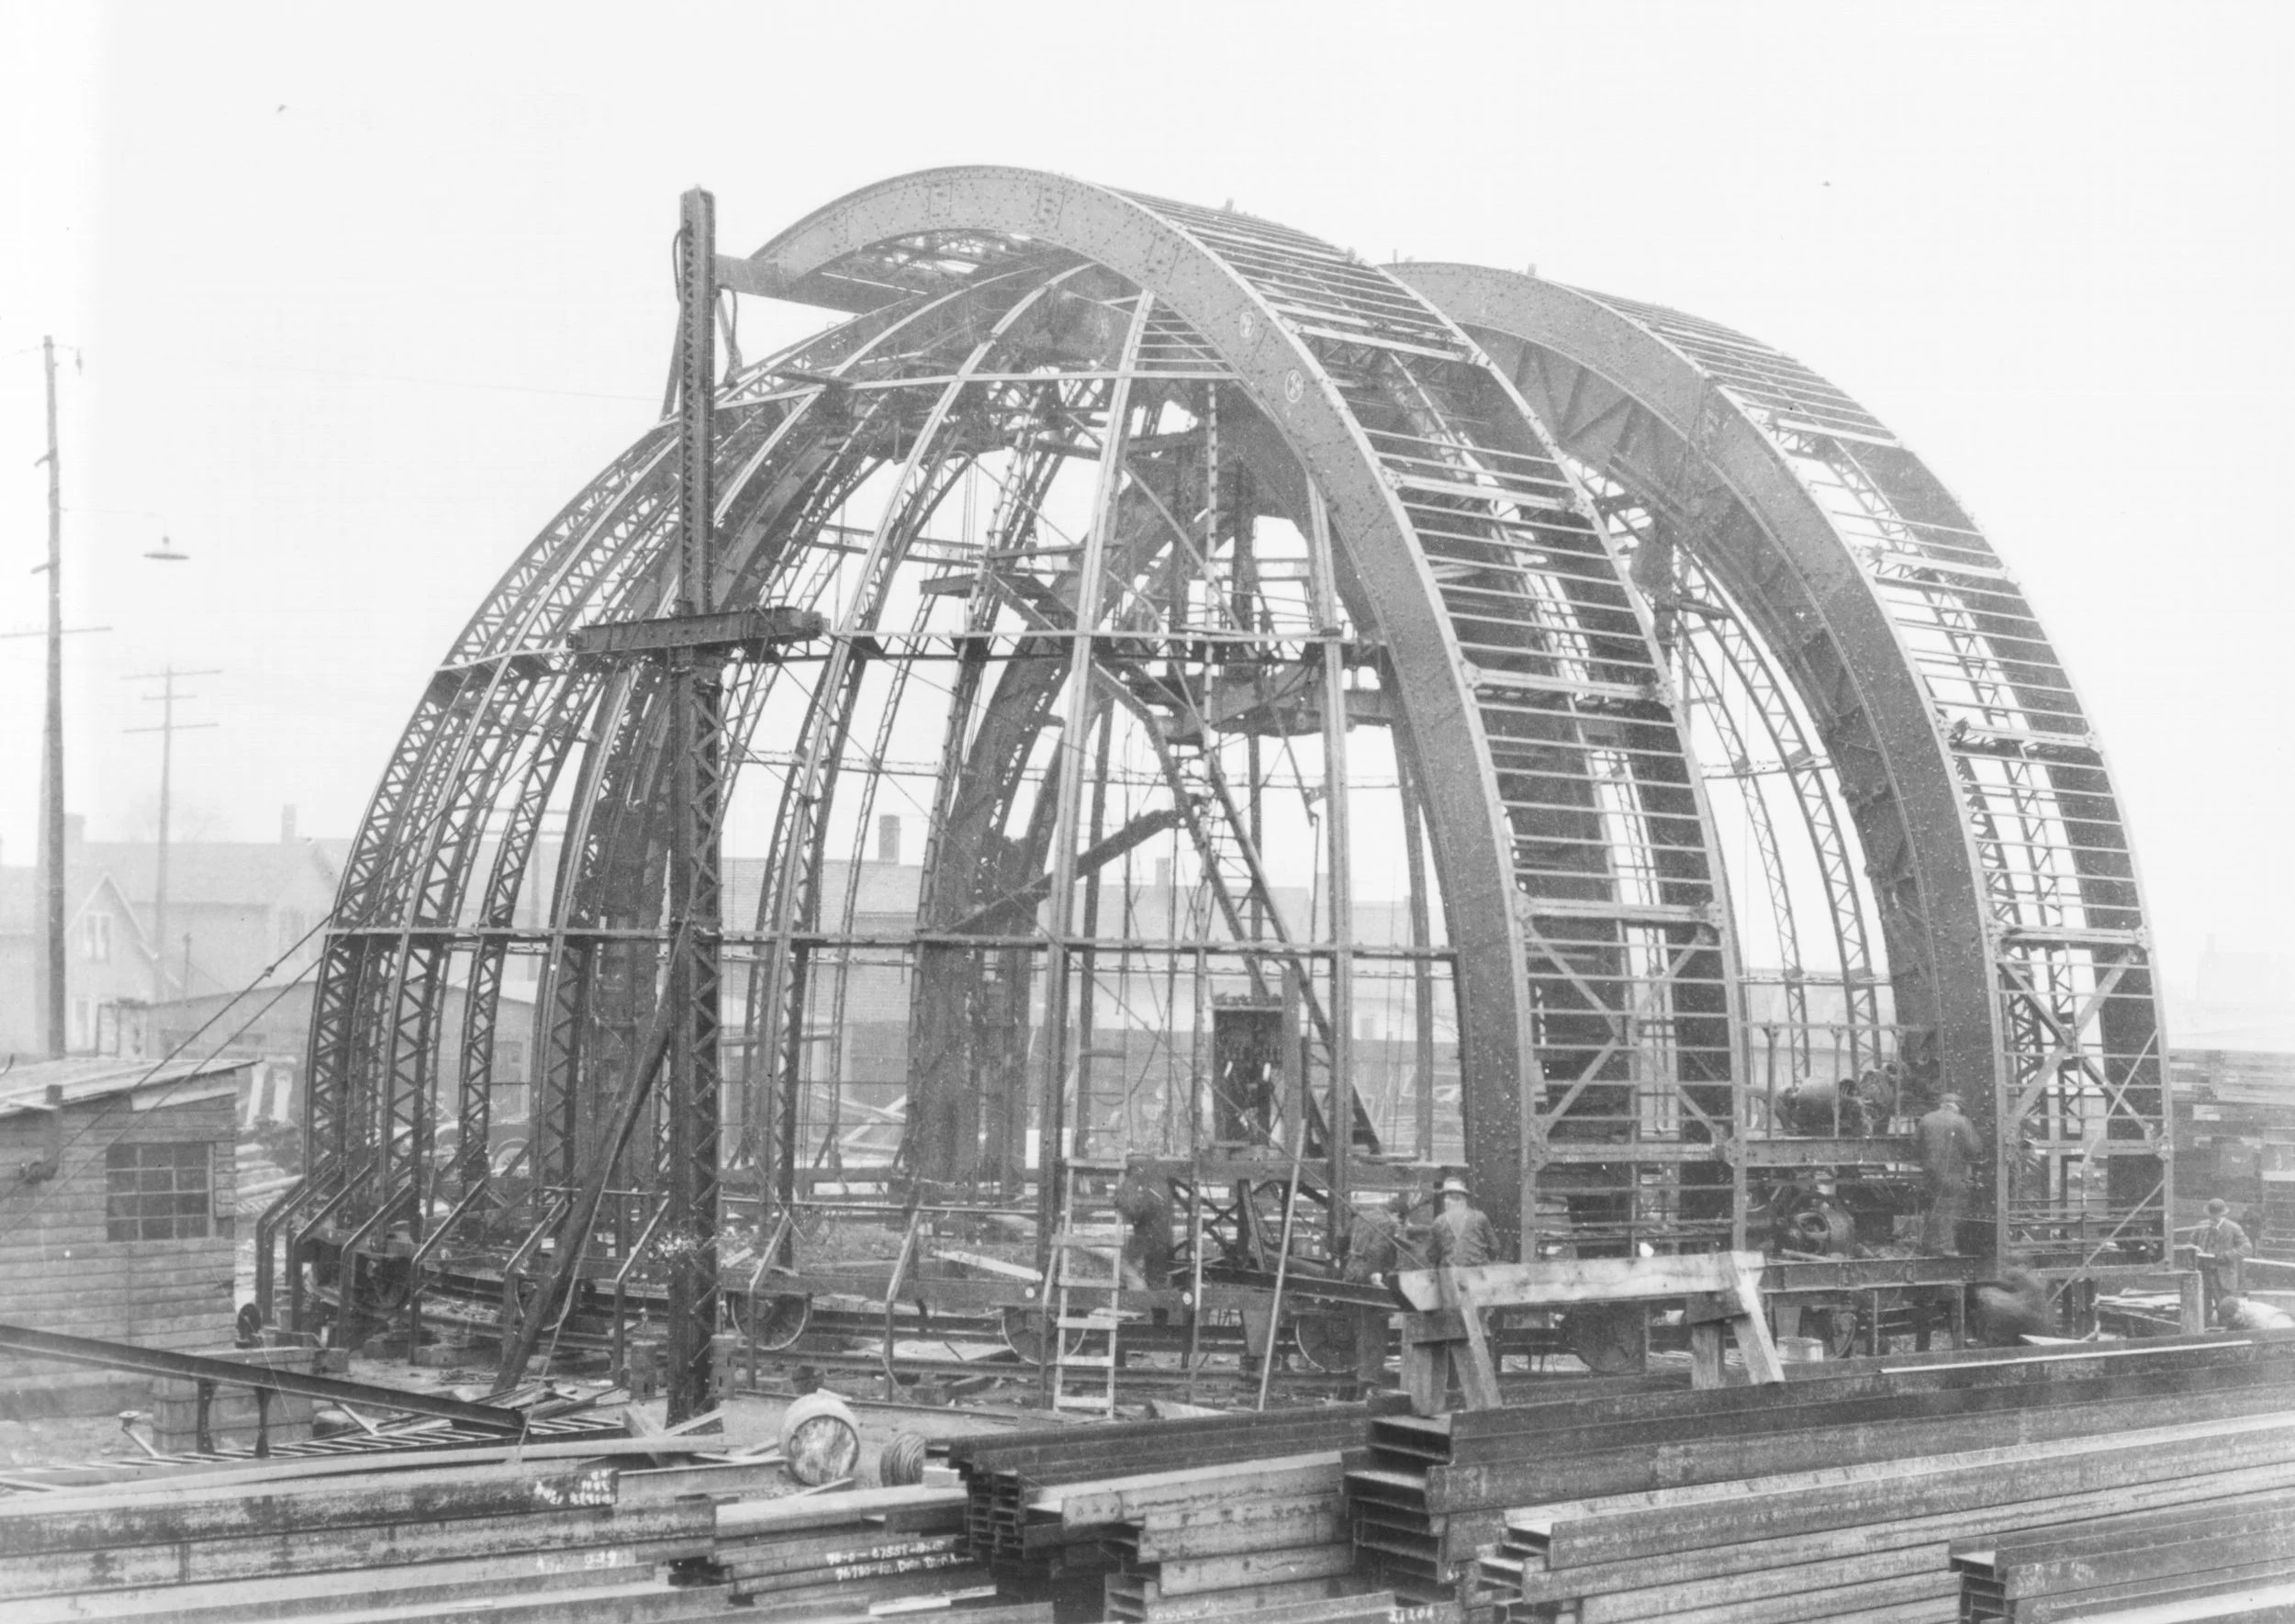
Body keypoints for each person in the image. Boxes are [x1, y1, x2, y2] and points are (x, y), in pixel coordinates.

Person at [1340, 1193, 1411, 1394]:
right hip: (1368, 1280)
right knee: (1374, 1332)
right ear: (1397, 1214)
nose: (1399, 1225)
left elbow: (1341, 1240)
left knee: (1360, 1331)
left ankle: (1361, 1378)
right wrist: (1376, 1274)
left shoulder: (1362, 1215)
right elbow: (1377, 1252)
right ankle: (1369, 1384)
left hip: (1350, 1276)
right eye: (1400, 1220)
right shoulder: (1386, 1224)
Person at [1916, 1092, 1983, 1254]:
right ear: (1956, 1106)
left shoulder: (1926, 1119)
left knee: (1933, 1208)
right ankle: (1943, 1247)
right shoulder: (1961, 1121)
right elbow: (1974, 1148)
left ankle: (1928, 1245)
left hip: (1930, 1173)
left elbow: (1915, 1144)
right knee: (1949, 1208)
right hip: (1953, 1174)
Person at [1110, 1160, 1173, 1290]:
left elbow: (1134, 1209)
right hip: (1160, 1238)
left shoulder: (1140, 1181)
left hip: (1149, 1237)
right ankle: (1151, 1295)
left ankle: (1141, 1294)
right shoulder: (1160, 1183)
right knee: (1155, 1276)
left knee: (1127, 1265)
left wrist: (1118, 1198)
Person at [2195, 1198, 2253, 1317]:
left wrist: (2226, 1256)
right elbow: (2191, 1243)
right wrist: (2196, 1250)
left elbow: (2247, 1248)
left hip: (2223, 1276)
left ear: (2223, 1214)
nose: (2215, 1219)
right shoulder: (2201, 1227)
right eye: (2212, 1216)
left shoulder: (2233, 1228)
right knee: (2203, 1311)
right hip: (2203, 1274)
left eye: (2218, 1216)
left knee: (2225, 1311)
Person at [1428, 1177, 1499, 1270]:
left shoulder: (1438, 1222)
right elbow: (1495, 1247)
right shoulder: (1480, 1217)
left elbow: (1432, 1255)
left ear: (1446, 1200)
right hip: (1478, 1274)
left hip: (1450, 1275)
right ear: (1465, 1199)